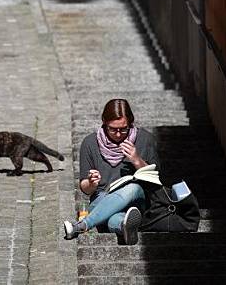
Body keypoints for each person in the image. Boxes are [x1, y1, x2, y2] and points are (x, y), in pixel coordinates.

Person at [63, 98, 161, 245]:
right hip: (101, 200)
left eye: (123, 128)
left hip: (136, 200)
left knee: (133, 187)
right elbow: (85, 189)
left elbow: (156, 180)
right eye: (112, 128)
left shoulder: (144, 139)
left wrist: (136, 160)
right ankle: (124, 226)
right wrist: (91, 182)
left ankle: (82, 225)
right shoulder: (90, 143)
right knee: (114, 216)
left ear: (131, 123)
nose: (118, 134)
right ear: (104, 122)